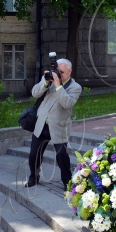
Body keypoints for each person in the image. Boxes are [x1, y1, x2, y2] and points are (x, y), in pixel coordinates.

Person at [26, 58, 82, 189]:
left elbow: (67, 103)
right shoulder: (49, 79)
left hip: (59, 126)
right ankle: (34, 177)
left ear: (70, 71)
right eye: (58, 71)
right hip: (42, 124)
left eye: (62, 72)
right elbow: (34, 93)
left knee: (61, 155)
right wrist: (45, 83)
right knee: (34, 154)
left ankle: (67, 181)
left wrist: (58, 85)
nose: (59, 74)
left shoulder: (75, 87)